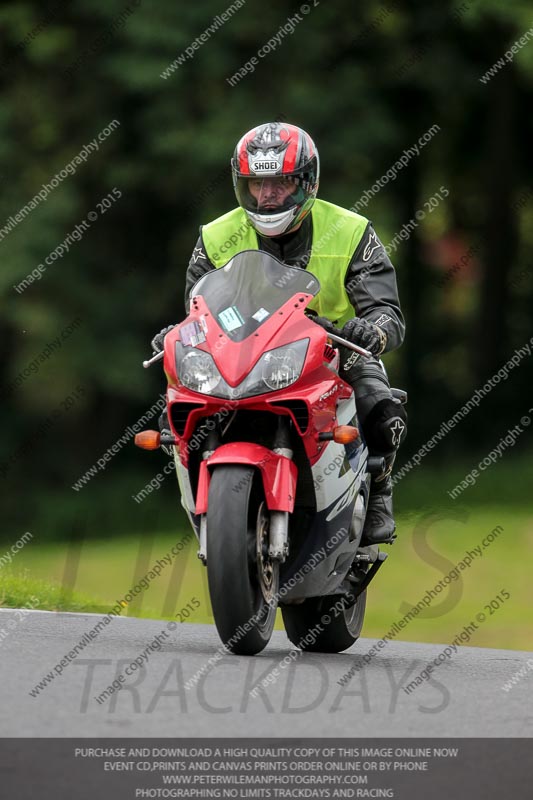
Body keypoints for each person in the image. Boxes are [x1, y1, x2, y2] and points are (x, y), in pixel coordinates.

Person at [152, 122, 407, 545]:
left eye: (282, 182)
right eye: (257, 184)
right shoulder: (215, 236)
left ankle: (379, 490)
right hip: (240, 357)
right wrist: (176, 335)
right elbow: (196, 312)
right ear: (242, 185)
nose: (268, 194)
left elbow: (387, 312)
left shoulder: (351, 231)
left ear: (307, 182)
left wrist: (371, 330)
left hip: (333, 352)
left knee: (380, 408)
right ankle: (203, 493)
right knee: (172, 413)